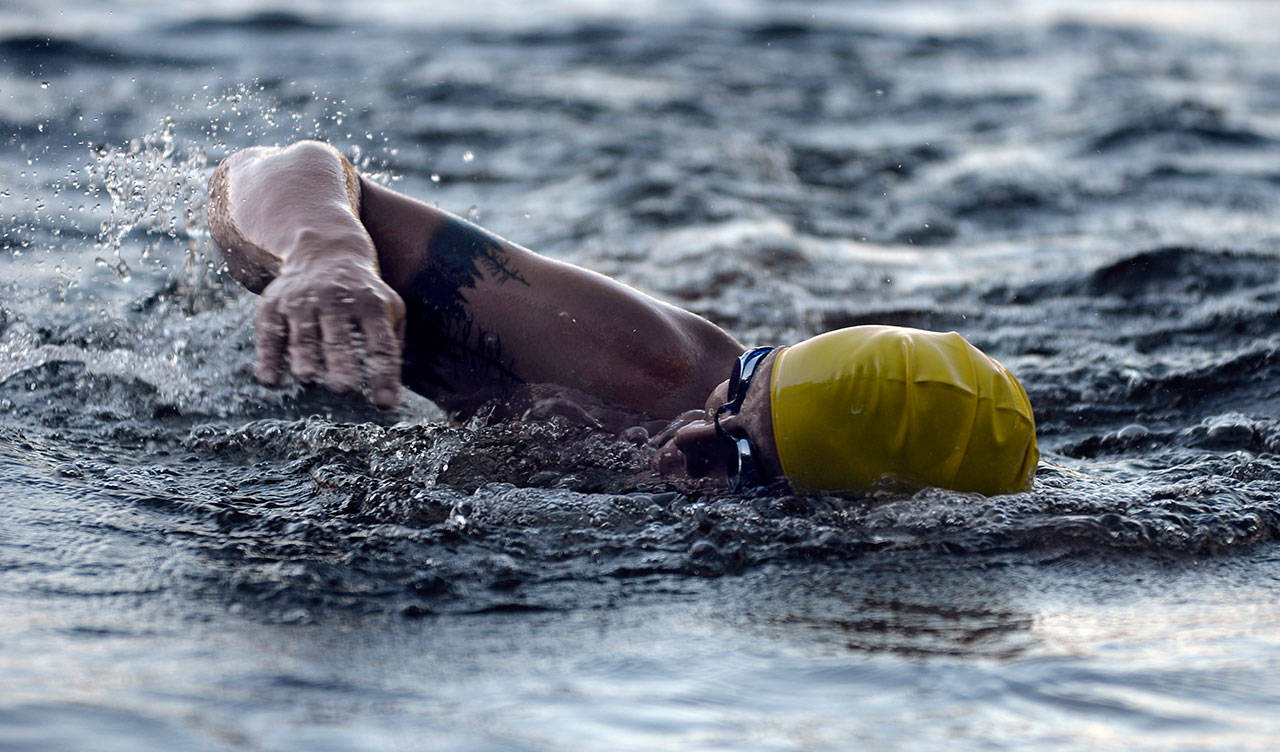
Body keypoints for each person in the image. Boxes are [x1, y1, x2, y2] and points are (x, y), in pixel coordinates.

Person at [208, 140, 1038, 496]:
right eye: (735, 396)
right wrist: (326, 253)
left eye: (736, 462)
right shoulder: (645, 373)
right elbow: (276, 164)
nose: (691, 437)